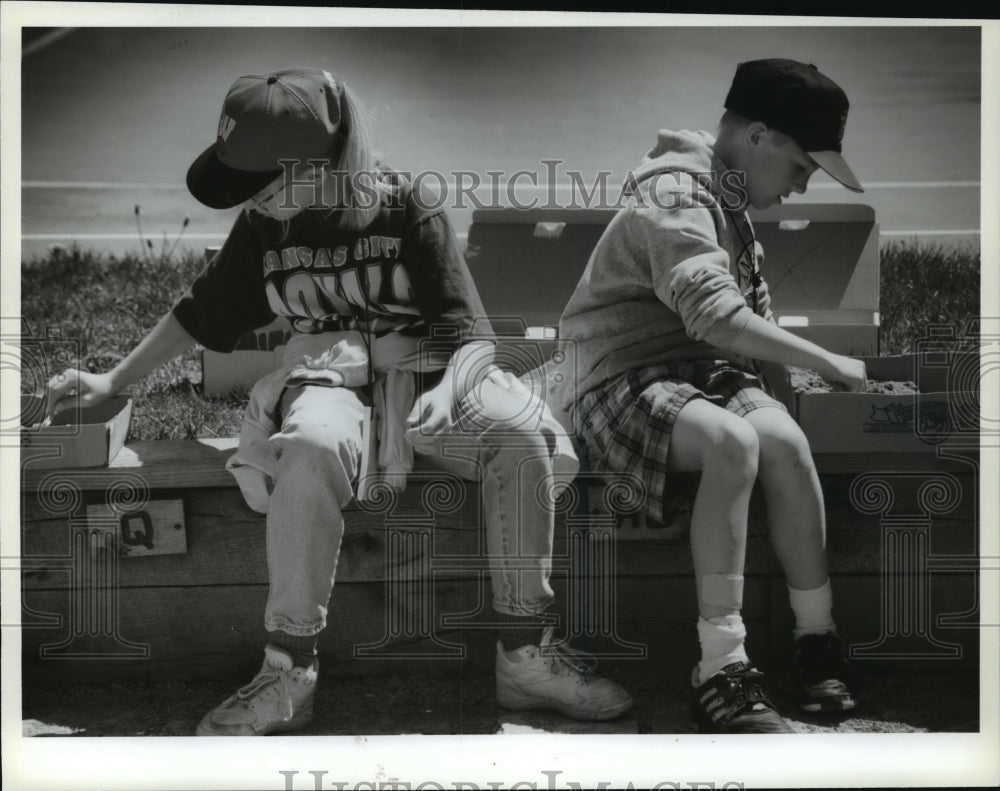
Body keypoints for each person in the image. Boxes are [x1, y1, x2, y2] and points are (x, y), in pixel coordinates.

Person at [46, 68, 632, 735]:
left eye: (260, 186)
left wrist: (448, 389)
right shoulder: (264, 226)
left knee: (522, 437)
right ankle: (288, 671)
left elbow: (471, 336)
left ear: (320, 164)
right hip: (329, 380)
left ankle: (524, 658)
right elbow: (199, 314)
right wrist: (112, 382)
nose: (252, 202)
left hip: (430, 378)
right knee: (308, 449)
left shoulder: (407, 205)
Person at [556, 59, 864, 734]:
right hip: (616, 374)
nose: (804, 185)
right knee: (734, 440)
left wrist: (792, 402)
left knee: (782, 441)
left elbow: (750, 329)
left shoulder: (733, 206)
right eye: (802, 166)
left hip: (698, 372)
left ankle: (816, 637)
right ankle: (720, 665)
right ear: (757, 136)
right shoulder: (673, 193)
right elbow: (714, 316)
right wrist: (829, 359)